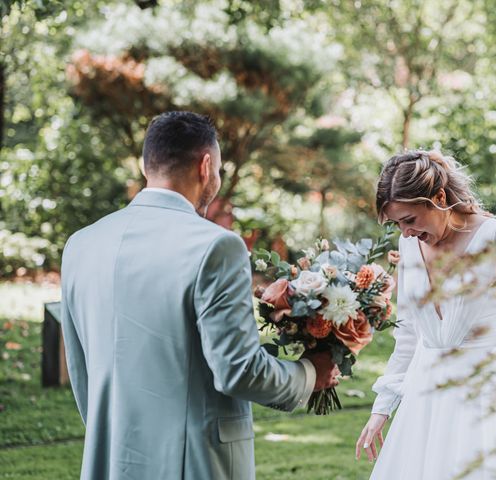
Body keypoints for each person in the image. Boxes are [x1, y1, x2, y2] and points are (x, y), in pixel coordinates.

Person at [61, 111, 339, 480]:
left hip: (110, 460)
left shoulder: (80, 245)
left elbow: (82, 375)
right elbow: (238, 371)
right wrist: (309, 375)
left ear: (148, 167)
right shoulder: (216, 247)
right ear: (206, 166)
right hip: (193, 463)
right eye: (220, 170)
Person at [355, 150, 496, 479]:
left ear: (439, 198)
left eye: (410, 220)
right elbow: (408, 333)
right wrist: (383, 407)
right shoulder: (409, 246)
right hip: (428, 398)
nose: (405, 232)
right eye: (397, 223)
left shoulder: (495, 235)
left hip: (491, 395)